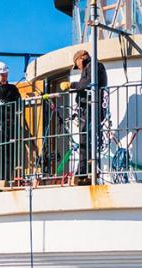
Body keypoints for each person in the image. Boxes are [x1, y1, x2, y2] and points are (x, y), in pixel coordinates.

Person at [59, 50, 108, 181]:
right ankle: (84, 170)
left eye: (77, 64)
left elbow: (88, 83)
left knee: (85, 139)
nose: (78, 67)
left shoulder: (94, 66)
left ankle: (84, 171)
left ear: (81, 59)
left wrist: (72, 85)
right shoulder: (90, 67)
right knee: (85, 139)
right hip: (87, 108)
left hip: (92, 107)